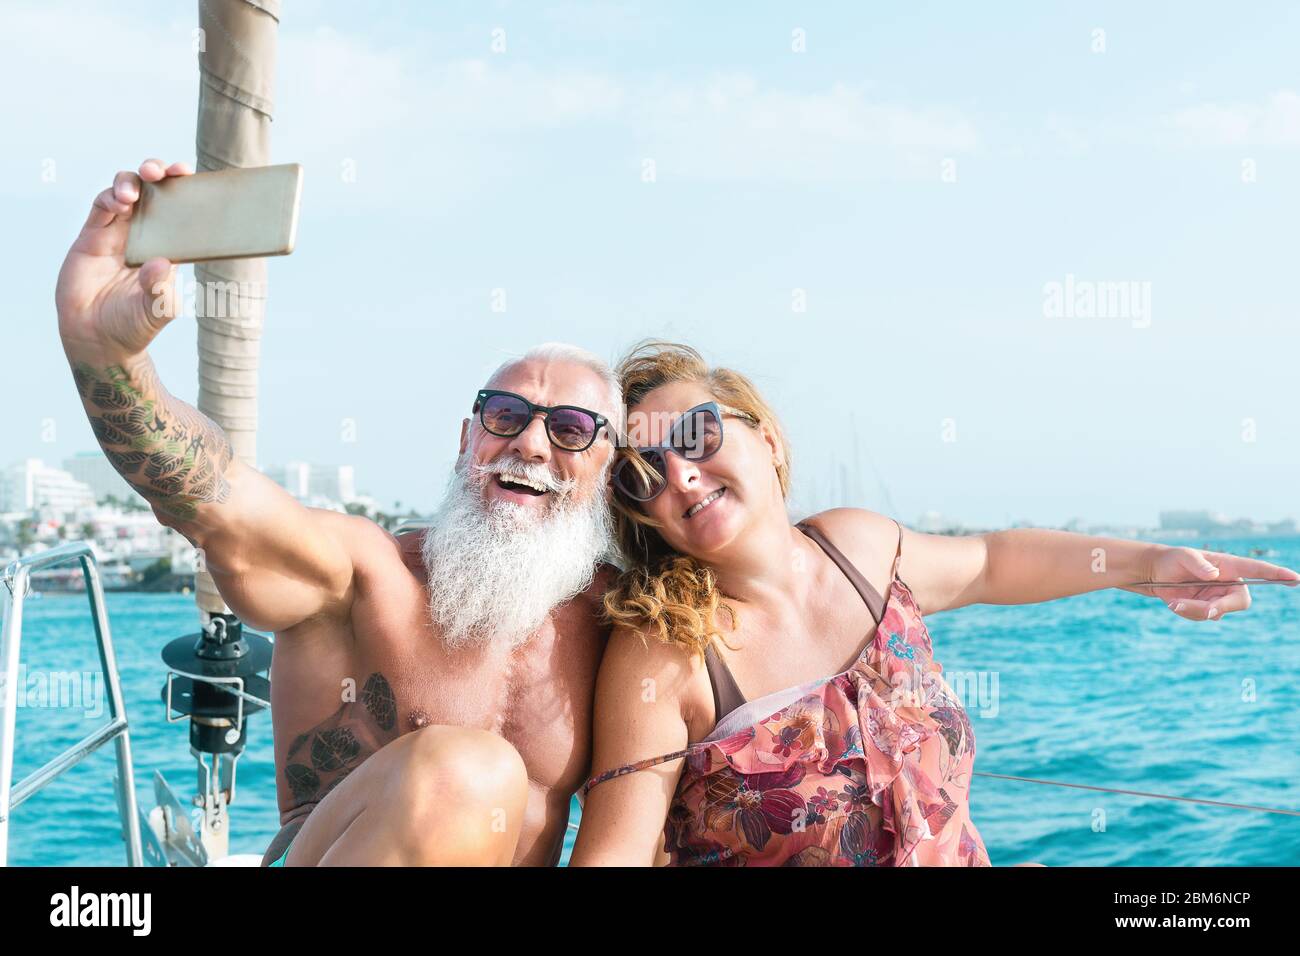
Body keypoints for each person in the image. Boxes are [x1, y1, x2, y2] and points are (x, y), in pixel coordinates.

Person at [55, 158, 624, 866]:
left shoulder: (620, 619)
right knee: (469, 771)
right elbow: (208, 498)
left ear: (609, 470)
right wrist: (104, 355)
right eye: (505, 417)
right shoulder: (363, 576)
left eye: (569, 429)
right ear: (465, 442)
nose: (531, 446)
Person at [570, 341, 1300, 866]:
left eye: (695, 435)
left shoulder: (856, 549)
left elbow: (991, 562)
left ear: (766, 436)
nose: (682, 477)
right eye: (643, 476)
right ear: (645, 518)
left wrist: (1150, 565)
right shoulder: (665, 650)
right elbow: (616, 855)